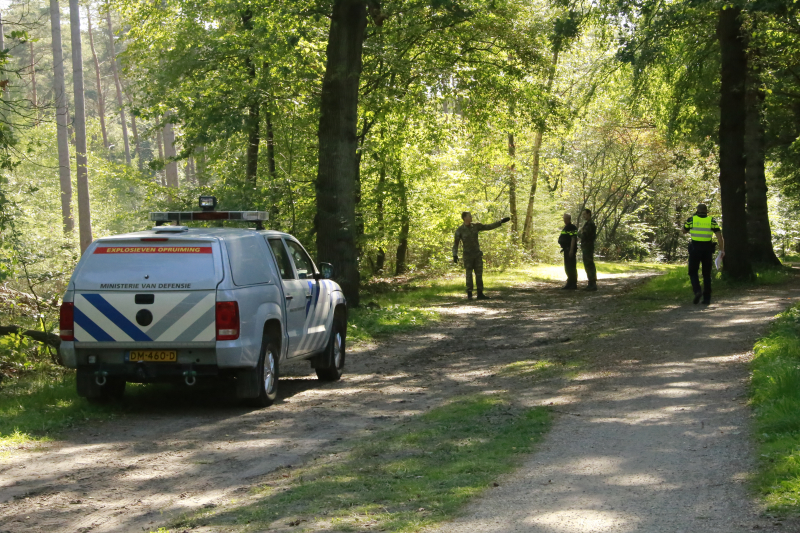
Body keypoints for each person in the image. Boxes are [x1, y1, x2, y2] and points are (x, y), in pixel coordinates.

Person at [453, 212, 510, 300]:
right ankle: (469, 294)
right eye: (469, 216)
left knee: (479, 274)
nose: (471, 217)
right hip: (467, 256)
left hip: (477, 254)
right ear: (464, 218)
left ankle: (480, 294)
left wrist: (500, 222)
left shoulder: (476, 226)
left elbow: (488, 226)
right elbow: (456, 243)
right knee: (469, 274)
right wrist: (455, 254)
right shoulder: (460, 230)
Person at [682, 203, 724, 305]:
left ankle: (697, 291)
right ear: (706, 211)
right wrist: (722, 249)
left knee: (693, 272)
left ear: (697, 210)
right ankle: (707, 299)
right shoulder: (711, 221)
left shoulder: (691, 220)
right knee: (707, 274)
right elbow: (719, 236)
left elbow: (683, 231)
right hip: (707, 249)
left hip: (695, 249)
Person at [578, 208, 597, 291]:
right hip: (586, 246)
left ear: (589, 214)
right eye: (583, 215)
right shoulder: (588, 224)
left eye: (584, 214)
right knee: (588, 264)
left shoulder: (590, 224)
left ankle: (592, 283)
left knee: (589, 264)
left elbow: (584, 235)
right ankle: (591, 282)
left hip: (588, 246)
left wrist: (579, 233)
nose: (583, 216)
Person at [559, 212, 578, 290]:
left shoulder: (572, 227)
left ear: (569, 219)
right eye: (564, 218)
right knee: (567, 267)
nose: (564, 220)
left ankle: (573, 283)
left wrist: (571, 250)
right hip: (566, 249)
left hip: (570, 249)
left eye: (565, 218)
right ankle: (569, 282)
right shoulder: (566, 227)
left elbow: (573, 239)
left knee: (571, 266)